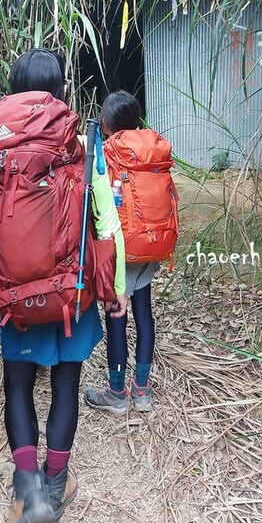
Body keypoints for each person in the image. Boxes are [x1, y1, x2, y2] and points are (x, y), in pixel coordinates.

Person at [0, 50, 128, 523]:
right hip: (72, 292)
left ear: (13, 91)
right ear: (60, 91)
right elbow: (107, 221)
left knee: (17, 386)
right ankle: (55, 485)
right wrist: (115, 287)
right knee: (66, 385)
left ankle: (28, 489)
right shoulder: (80, 143)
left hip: (15, 295)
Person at [84, 91, 165, 415]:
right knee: (144, 314)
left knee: (116, 313)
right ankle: (142, 390)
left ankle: (117, 392)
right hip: (151, 242)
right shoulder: (151, 146)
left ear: (105, 123)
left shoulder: (105, 152)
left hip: (120, 246)